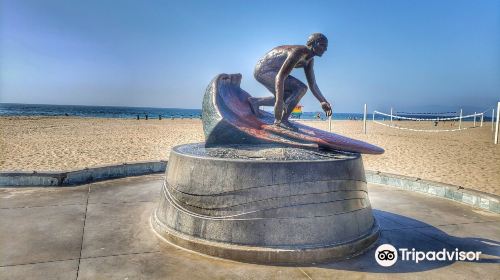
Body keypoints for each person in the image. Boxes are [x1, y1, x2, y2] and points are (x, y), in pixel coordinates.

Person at [249, 33, 333, 128]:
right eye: (322, 45)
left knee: (288, 97)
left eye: (326, 47)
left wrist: (323, 101)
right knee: (301, 88)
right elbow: (280, 76)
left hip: (271, 72)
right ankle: (283, 120)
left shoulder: (309, 60)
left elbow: (313, 84)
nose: (325, 49)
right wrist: (279, 102)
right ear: (313, 43)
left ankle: (255, 102)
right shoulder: (298, 52)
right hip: (264, 70)